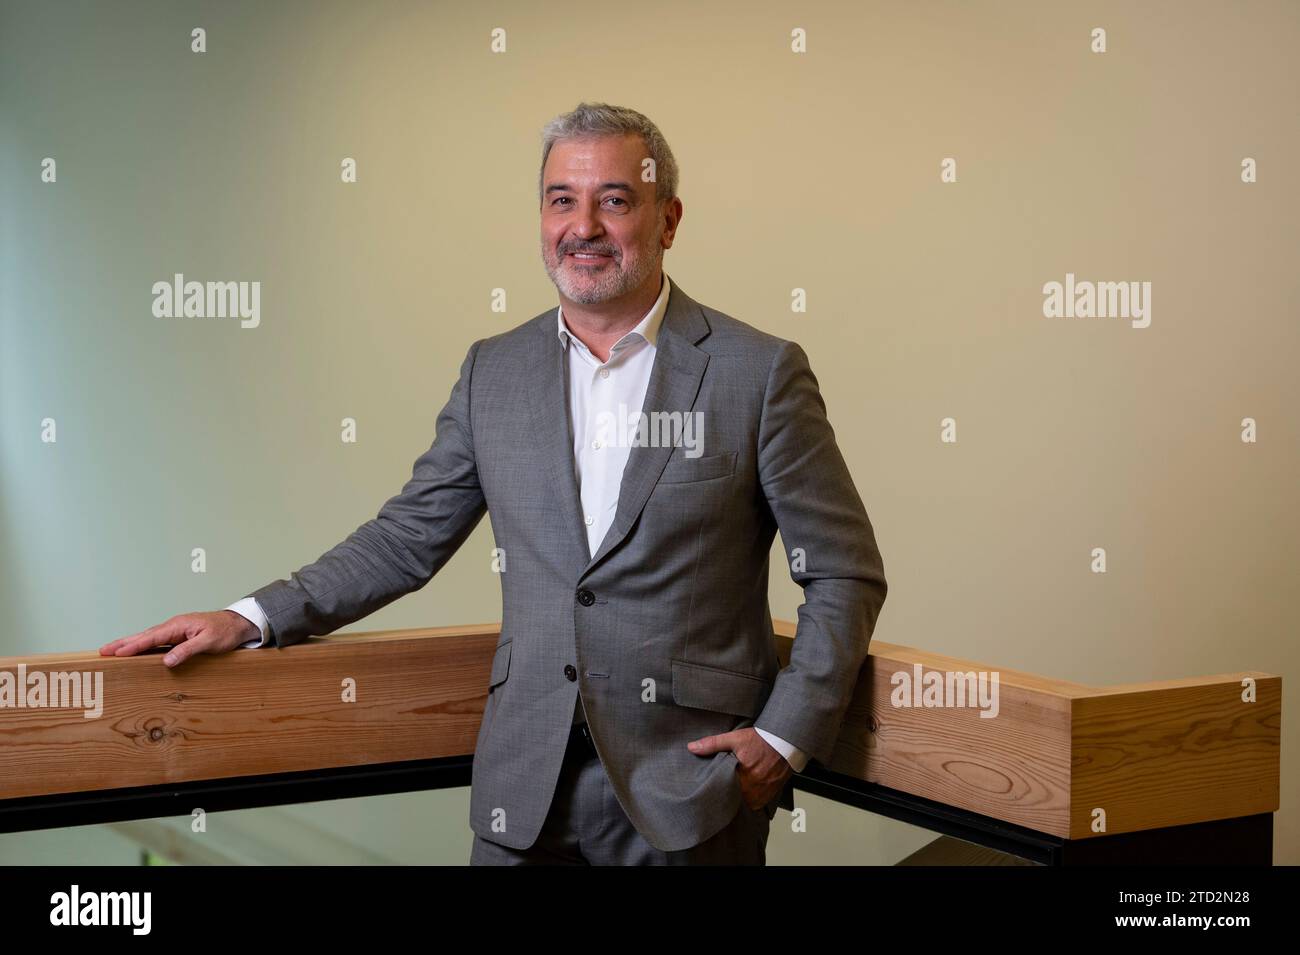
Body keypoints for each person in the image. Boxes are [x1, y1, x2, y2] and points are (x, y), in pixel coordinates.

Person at [99, 102, 888, 865]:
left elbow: (843, 571)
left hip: (691, 790)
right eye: (561, 201)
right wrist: (252, 616)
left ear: (668, 219)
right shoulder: (493, 371)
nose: (583, 227)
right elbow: (406, 538)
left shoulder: (758, 372)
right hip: (522, 789)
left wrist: (784, 737)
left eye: (615, 200)